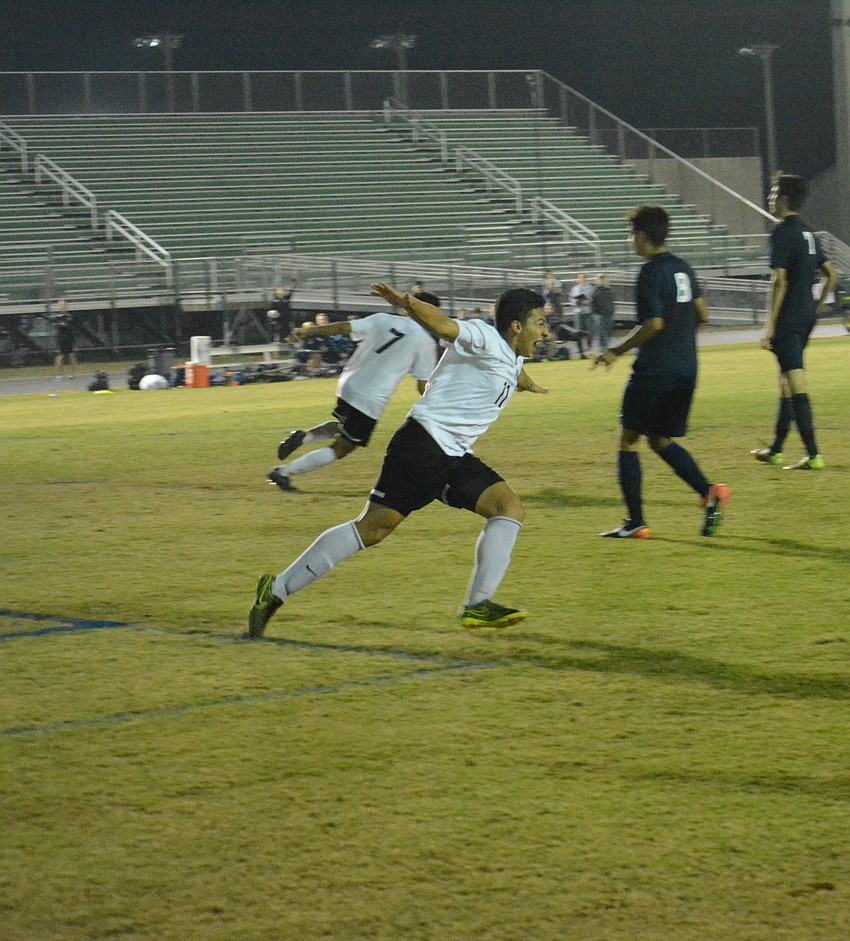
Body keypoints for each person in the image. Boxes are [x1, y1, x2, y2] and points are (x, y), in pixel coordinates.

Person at [248, 283, 550, 637]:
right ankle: (277, 589)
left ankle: (478, 606)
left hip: (451, 454)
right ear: (516, 326)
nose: (545, 332)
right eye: (540, 323)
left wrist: (525, 382)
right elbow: (444, 325)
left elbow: (510, 366)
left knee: (508, 508)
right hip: (422, 447)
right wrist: (406, 303)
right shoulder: (483, 336)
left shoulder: (510, 355)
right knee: (371, 529)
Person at [595, 205, 728, 539]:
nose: (630, 241)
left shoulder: (650, 272)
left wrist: (615, 351)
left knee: (628, 439)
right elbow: (703, 313)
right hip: (687, 368)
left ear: (641, 236)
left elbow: (654, 323)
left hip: (656, 370)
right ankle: (708, 492)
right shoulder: (683, 267)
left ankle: (636, 521)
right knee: (659, 439)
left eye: (631, 234)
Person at [267, 297, 440, 492]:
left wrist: (309, 330)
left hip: (348, 382)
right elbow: (422, 384)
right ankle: (283, 473)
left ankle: (304, 437)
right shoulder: (425, 342)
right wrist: (439, 404)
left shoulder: (384, 318)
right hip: (370, 396)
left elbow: (343, 327)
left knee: (344, 427)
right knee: (343, 447)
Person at [751, 173, 837, 471]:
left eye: (774, 193)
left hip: (788, 320)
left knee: (795, 381)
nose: (770, 198)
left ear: (785, 199)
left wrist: (769, 327)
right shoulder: (808, 233)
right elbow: (833, 274)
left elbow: (779, 281)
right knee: (786, 381)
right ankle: (775, 450)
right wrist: (816, 304)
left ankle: (813, 454)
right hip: (805, 317)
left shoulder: (782, 233)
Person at [590, 274, 615, 353]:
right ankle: (603, 347)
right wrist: (595, 312)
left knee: (609, 331)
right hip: (599, 314)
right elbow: (592, 303)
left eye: (602, 279)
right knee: (601, 331)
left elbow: (611, 301)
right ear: (596, 281)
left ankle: (606, 346)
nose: (601, 281)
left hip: (608, 313)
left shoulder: (608, 290)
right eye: (599, 279)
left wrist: (612, 310)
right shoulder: (594, 291)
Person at [569, 273, 591, 359]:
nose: (581, 279)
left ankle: (588, 345)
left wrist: (585, 302)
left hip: (586, 312)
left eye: (583, 278)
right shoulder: (574, 289)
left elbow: (592, 300)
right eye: (580, 278)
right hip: (578, 312)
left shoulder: (589, 288)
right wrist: (576, 302)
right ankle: (581, 351)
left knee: (588, 331)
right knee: (578, 332)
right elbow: (571, 300)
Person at [53, 300, 77, 379]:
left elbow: (68, 324)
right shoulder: (57, 316)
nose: (62, 306)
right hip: (60, 337)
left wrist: (63, 324)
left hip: (69, 337)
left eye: (63, 305)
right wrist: (60, 324)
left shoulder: (69, 316)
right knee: (60, 355)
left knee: (71, 355)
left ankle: (72, 373)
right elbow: (56, 324)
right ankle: (59, 374)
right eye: (60, 305)